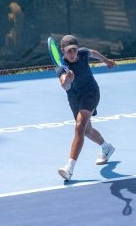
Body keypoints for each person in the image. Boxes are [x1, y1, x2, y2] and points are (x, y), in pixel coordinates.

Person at [56, 35, 117, 181]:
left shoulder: (83, 54)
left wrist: (106, 61)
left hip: (91, 93)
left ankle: (69, 168)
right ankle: (106, 147)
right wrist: (68, 80)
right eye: (68, 51)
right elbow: (64, 85)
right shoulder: (61, 67)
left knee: (79, 127)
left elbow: (93, 53)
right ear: (63, 52)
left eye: (74, 50)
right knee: (87, 131)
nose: (72, 54)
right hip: (74, 98)